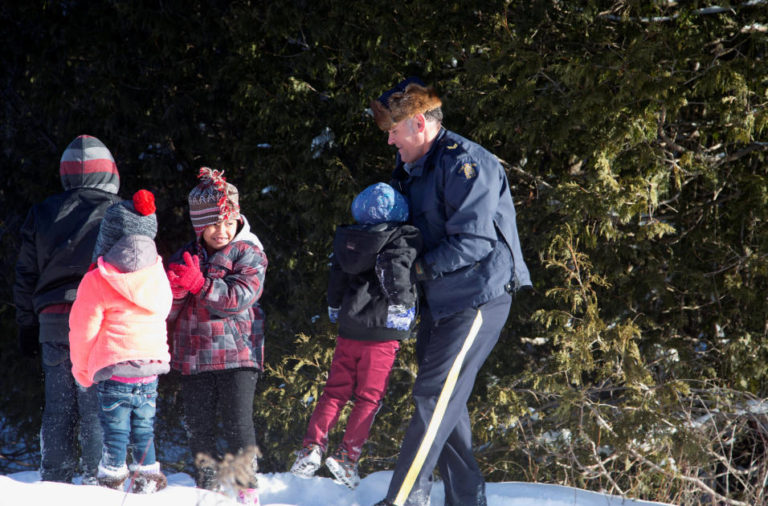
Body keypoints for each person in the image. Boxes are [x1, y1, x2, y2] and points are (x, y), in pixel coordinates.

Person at [368, 77, 532, 506]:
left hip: (478, 295)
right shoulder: (411, 167)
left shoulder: (466, 163)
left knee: (432, 395)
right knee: (447, 405)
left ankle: (401, 499)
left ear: (419, 123)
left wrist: (416, 268)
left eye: (394, 130)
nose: (389, 140)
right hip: (440, 298)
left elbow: (475, 242)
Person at [290, 182, 423, 489]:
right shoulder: (397, 240)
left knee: (335, 391)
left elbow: (336, 278)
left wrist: (334, 307)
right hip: (382, 333)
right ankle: (347, 457)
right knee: (369, 397)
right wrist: (402, 308)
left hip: (350, 330)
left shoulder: (349, 242)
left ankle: (312, 447)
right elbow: (396, 275)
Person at [13, 134, 122, 484]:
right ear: (110, 172)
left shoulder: (41, 213)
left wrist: (27, 324)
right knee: (94, 408)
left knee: (59, 407)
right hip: (99, 322)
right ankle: (96, 479)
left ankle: (54, 479)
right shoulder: (119, 212)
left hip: (53, 323)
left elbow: (25, 274)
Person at [166, 167, 268, 505]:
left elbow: (238, 298)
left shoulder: (248, 252)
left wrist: (200, 284)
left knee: (238, 424)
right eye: (214, 224)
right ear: (199, 225)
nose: (222, 231)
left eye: (228, 222)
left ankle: (246, 489)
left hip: (237, 354)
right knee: (199, 426)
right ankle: (205, 489)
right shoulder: (187, 253)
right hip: (194, 356)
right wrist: (177, 289)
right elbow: (167, 309)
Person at [68, 189, 172, 493]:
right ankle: (148, 479)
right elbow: (164, 309)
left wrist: (82, 371)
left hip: (115, 368)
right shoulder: (157, 273)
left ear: (108, 235)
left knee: (115, 430)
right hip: (151, 367)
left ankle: (112, 480)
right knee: (144, 427)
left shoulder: (98, 278)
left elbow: (82, 328)